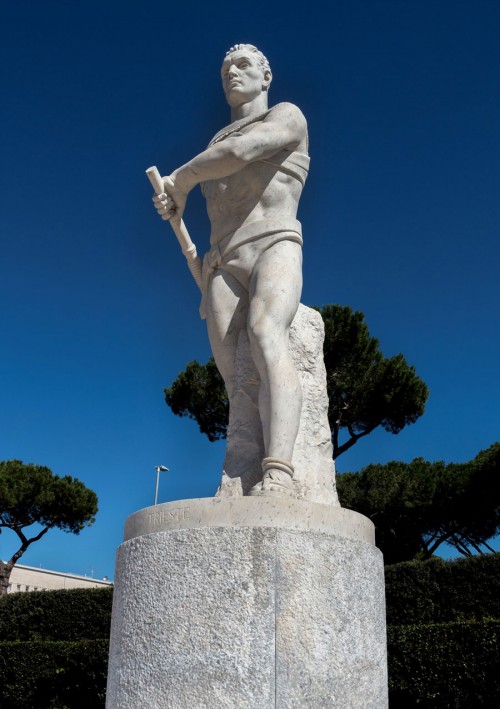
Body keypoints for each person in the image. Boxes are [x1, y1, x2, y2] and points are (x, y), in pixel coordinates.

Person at [153, 44, 309, 496]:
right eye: (224, 69)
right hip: (221, 263)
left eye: (243, 65)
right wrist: (174, 201)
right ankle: (243, 470)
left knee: (265, 332)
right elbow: (216, 196)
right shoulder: (212, 145)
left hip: (274, 242)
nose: (231, 73)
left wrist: (179, 180)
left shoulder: (286, 115)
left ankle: (279, 469)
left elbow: (245, 150)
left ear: (266, 75)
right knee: (234, 375)